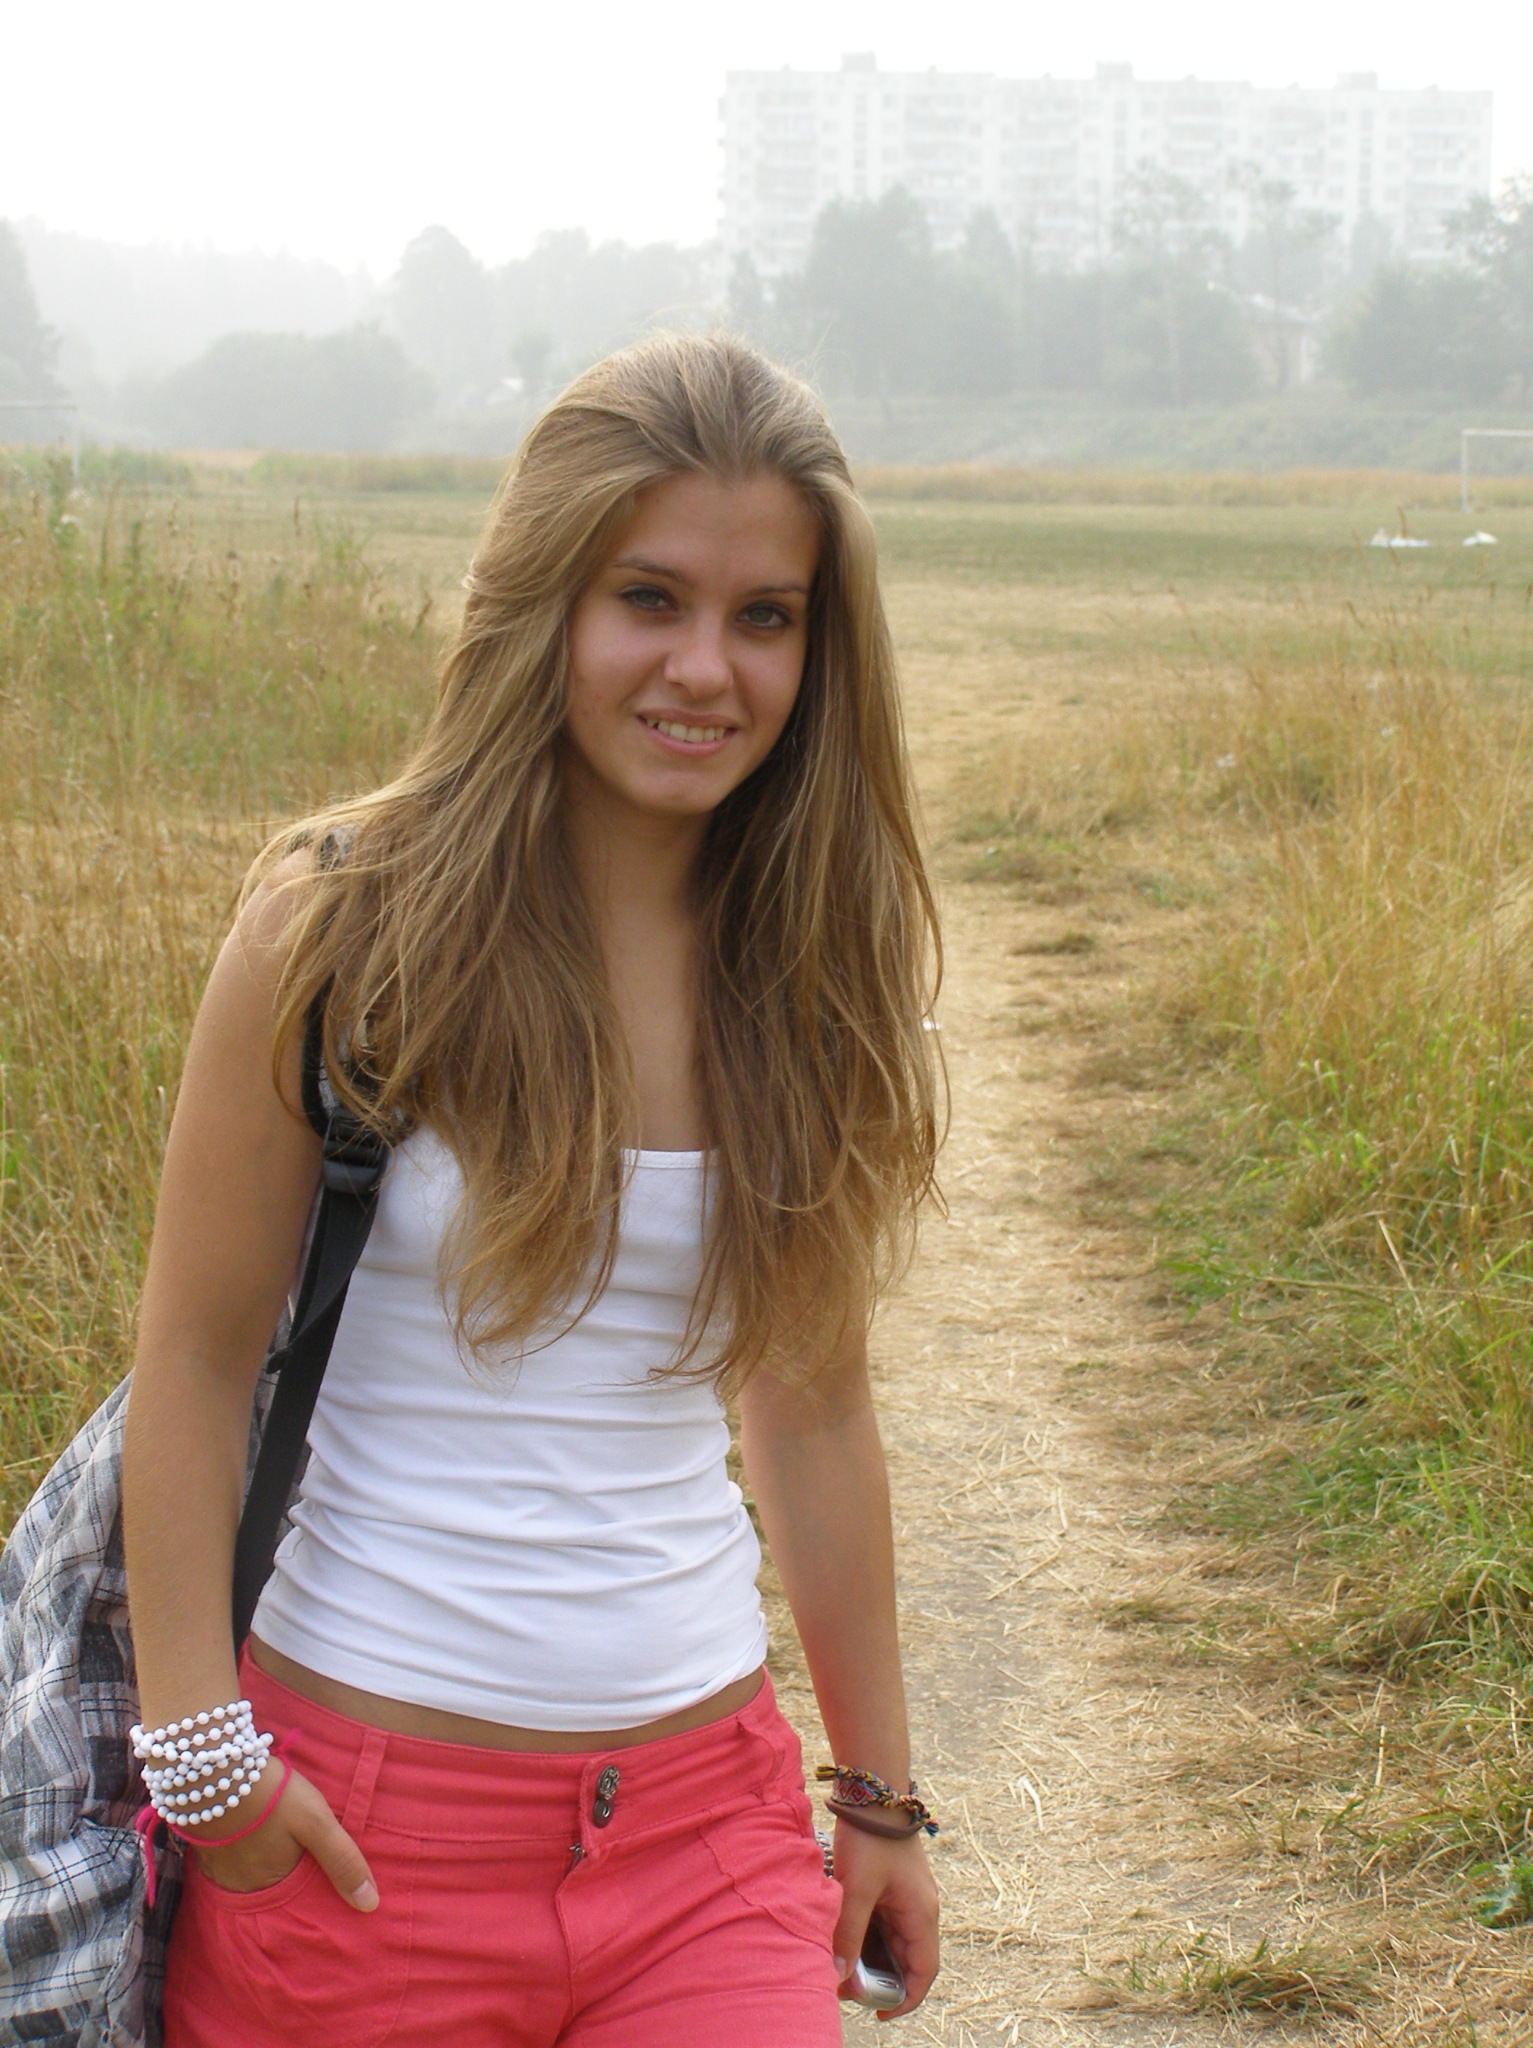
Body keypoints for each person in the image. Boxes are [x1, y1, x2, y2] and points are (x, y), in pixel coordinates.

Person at [122, 332, 943, 2047]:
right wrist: (204, 1764)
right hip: (353, 1844)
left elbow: (810, 1405)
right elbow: (192, 1360)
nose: (704, 667)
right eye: (649, 597)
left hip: (707, 1840)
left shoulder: (808, 962)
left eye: (765, 615)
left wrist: (877, 1798)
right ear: (541, 600)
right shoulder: (347, 927)